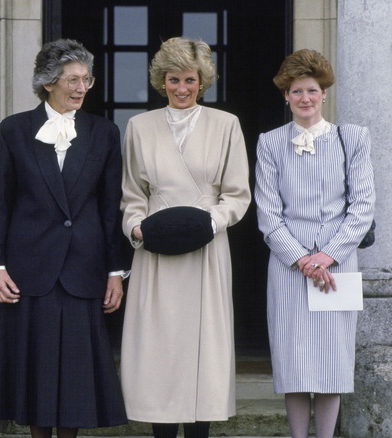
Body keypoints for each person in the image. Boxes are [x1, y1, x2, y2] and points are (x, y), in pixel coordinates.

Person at [0, 39, 129, 438]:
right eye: (73, 80)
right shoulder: (14, 130)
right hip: (30, 270)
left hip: (85, 268)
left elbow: (110, 206)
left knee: (75, 378)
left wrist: (116, 271)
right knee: (36, 374)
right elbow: (1, 201)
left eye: (86, 79)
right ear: (48, 83)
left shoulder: (105, 133)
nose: (81, 88)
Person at [119, 37, 251, 438]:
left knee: (203, 350)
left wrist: (208, 224)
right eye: (173, 79)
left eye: (189, 80)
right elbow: (131, 195)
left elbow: (238, 193)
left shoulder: (226, 125)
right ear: (162, 80)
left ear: (201, 81)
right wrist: (138, 228)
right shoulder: (139, 127)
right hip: (156, 251)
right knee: (160, 350)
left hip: (206, 248)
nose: (181, 88)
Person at [253, 49, 376, 438]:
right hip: (289, 266)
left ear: (324, 94)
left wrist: (326, 256)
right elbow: (268, 214)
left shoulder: (352, 138)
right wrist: (303, 260)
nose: (304, 98)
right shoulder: (270, 143)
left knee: (331, 362)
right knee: (293, 361)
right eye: (296, 91)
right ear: (285, 97)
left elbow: (363, 205)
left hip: (337, 266)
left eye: (311, 90)